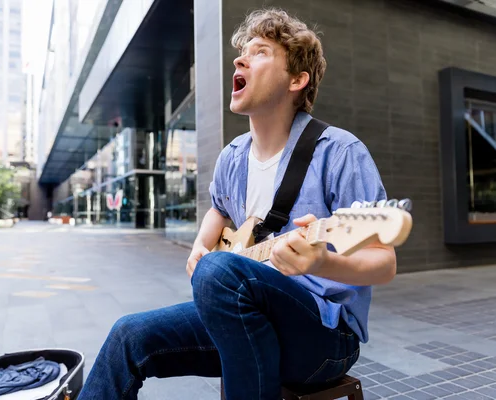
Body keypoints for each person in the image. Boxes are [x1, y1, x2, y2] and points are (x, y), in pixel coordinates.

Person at [77, 7, 397, 400]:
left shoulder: (341, 152)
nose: (240, 58)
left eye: (260, 51)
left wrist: (322, 262)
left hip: (325, 338)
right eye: (242, 51)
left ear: (298, 80)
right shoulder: (232, 156)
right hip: (246, 317)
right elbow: (219, 209)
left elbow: (384, 262)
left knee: (220, 272)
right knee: (128, 335)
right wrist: (200, 246)